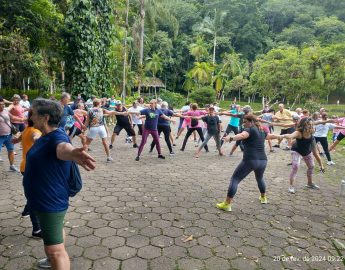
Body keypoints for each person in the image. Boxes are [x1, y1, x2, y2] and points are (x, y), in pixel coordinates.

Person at [23, 98, 95, 270]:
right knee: (54, 232)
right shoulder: (46, 136)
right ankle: (50, 260)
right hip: (43, 200)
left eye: (32, 112)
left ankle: (53, 258)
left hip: (50, 202)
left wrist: (72, 153)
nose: (29, 115)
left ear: (45, 117)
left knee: (55, 250)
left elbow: (63, 149)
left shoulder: (57, 138)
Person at [216, 114, 280, 212]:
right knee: (260, 178)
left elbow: (242, 135)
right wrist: (282, 136)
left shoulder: (249, 130)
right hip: (263, 161)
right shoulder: (261, 130)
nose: (243, 123)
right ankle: (263, 198)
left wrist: (230, 138)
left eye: (245, 121)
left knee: (235, 179)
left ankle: (227, 204)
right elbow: (270, 136)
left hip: (250, 160)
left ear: (251, 122)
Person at [12, 111, 42, 237]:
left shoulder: (26, 129)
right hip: (33, 168)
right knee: (35, 198)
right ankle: (37, 229)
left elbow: (15, 140)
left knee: (34, 194)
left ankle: (26, 210)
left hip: (25, 167)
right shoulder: (35, 130)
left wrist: (17, 138)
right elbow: (36, 137)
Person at [279, 117, 324, 194]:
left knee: (311, 166)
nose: (310, 126)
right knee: (295, 166)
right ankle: (291, 186)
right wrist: (283, 136)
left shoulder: (312, 137)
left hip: (306, 152)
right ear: (303, 125)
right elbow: (290, 136)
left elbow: (315, 153)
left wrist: (321, 165)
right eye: (308, 125)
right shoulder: (299, 133)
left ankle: (309, 183)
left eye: (312, 125)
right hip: (296, 150)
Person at [0, 98, 20, 172]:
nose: (2, 106)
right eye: (0, 105)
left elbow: (13, 117)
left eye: (3, 104)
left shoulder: (6, 111)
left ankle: (12, 166)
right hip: (0, 137)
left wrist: (23, 119)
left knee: (11, 150)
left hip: (8, 135)